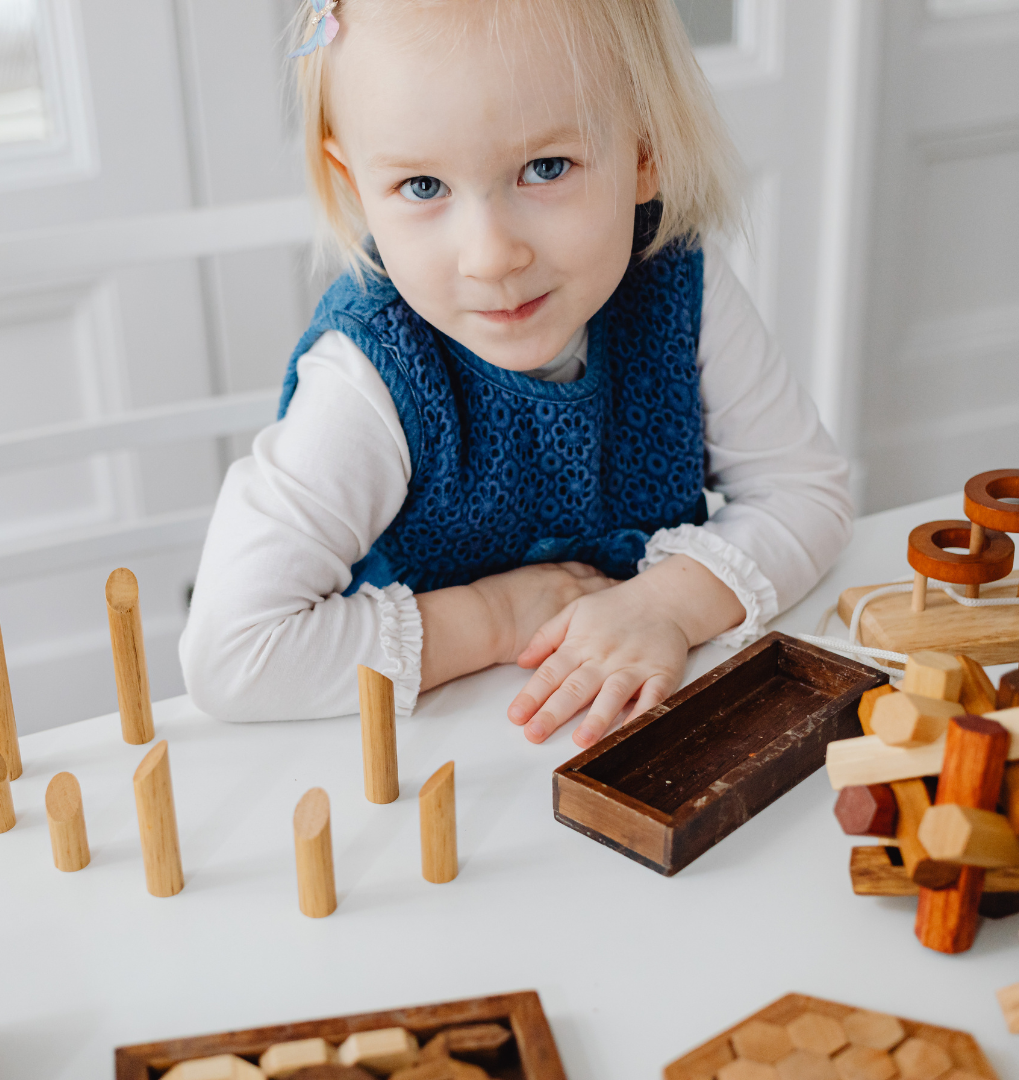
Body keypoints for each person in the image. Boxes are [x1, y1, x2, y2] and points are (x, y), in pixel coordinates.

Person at [180, 0, 853, 749]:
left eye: (545, 168)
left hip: (655, 730)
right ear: (354, 181)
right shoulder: (370, 376)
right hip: (444, 770)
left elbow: (807, 490)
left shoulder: (675, 282)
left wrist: (667, 605)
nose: (491, 255)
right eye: (423, 187)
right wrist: (492, 620)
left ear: (644, 150)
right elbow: (231, 654)